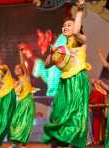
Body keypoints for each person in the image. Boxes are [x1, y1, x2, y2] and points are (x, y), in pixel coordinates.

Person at [42, 0, 91, 147]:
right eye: (64, 26)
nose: (65, 27)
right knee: (59, 111)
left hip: (77, 80)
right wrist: (52, 52)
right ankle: (58, 139)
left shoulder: (82, 40)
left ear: (77, 26)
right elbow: (47, 64)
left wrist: (80, 9)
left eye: (68, 25)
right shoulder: (62, 46)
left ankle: (74, 141)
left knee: (75, 112)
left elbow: (76, 32)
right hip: (64, 82)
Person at [9, 50, 35, 148]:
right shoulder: (15, 82)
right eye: (15, 69)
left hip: (27, 102)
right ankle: (15, 143)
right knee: (14, 122)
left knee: (25, 123)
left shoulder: (26, 77)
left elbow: (23, 64)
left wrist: (21, 53)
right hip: (19, 104)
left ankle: (22, 144)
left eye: (18, 68)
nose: (16, 69)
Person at [0, 54, 16, 148]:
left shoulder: (4, 67)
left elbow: (2, 70)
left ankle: (13, 142)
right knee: (0, 120)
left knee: (7, 118)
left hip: (8, 94)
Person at [89, 79, 107, 145]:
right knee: (93, 126)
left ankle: (99, 140)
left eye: (95, 84)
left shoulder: (102, 92)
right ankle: (95, 139)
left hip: (99, 112)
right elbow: (90, 101)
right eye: (94, 85)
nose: (94, 86)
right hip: (93, 113)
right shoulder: (92, 92)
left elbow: (104, 103)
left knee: (99, 126)